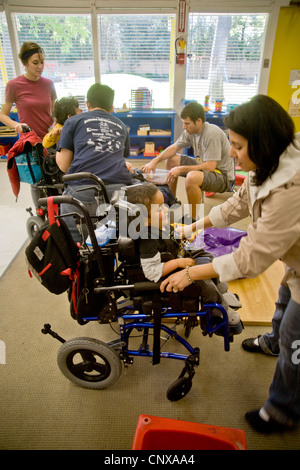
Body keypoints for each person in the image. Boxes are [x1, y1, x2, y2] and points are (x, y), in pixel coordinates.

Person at [160, 95, 300, 433]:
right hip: (294, 258)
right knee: (284, 300)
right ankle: (270, 342)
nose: (232, 154)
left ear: (262, 142)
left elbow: (250, 259)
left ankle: (283, 410)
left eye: (237, 146)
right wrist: (192, 226)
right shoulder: (264, 164)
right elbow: (234, 206)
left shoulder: (290, 189)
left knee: (296, 337)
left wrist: (190, 273)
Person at [125, 182, 243, 331]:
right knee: (202, 279)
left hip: (175, 257)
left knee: (205, 254)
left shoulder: (156, 225)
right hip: (166, 274)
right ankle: (219, 311)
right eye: (159, 208)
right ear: (143, 219)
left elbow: (167, 236)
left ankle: (221, 290)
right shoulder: (147, 240)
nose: (166, 209)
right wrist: (177, 263)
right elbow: (151, 271)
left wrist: (179, 236)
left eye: (164, 204)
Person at [56, 83, 133, 242]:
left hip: (84, 187)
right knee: (117, 231)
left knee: (78, 233)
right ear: (111, 106)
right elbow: (122, 157)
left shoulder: (73, 121)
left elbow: (63, 165)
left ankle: (83, 252)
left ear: (87, 104)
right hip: (120, 189)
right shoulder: (121, 125)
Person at [141, 102, 235, 221]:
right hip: (205, 165)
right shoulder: (191, 132)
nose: (184, 127)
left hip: (222, 175)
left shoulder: (212, 133)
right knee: (172, 160)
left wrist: (181, 169)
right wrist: (154, 161)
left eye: (187, 123)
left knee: (192, 177)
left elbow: (210, 167)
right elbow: (174, 148)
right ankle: (171, 200)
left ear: (199, 121)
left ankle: (194, 219)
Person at [0, 41, 57, 141]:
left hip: (49, 139)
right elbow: (2, 115)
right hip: (29, 141)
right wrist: (16, 124)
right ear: (24, 63)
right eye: (35, 63)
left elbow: (53, 111)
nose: (40, 66)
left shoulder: (49, 84)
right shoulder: (13, 85)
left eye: (42, 62)